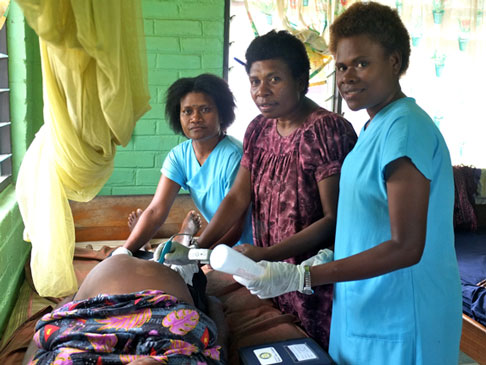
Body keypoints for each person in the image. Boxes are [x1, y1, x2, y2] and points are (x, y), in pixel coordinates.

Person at [233, 3, 463, 364]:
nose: (347, 76)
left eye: (362, 63)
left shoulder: (406, 128)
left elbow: (406, 246)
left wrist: (302, 276)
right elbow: (363, 221)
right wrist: (330, 254)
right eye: (341, 66)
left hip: (400, 314)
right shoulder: (372, 130)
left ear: (394, 62)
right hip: (363, 306)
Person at [196, 30, 357, 349]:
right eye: (255, 81)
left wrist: (268, 256)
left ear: (301, 80)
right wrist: (199, 245)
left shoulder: (325, 130)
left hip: (315, 278)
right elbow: (237, 197)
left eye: (274, 79)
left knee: (317, 350)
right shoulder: (258, 129)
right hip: (270, 276)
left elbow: (334, 219)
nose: (262, 91)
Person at [118, 73, 253, 255]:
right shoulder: (179, 156)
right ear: (178, 116)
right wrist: (123, 252)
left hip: (248, 247)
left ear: (221, 114)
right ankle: (145, 244)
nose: (195, 118)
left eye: (205, 110)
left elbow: (237, 226)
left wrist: (198, 256)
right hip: (213, 244)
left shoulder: (234, 156)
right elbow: (156, 209)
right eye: (187, 111)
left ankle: (181, 238)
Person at [23, 254, 226, 365]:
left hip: (106, 294)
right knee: (185, 267)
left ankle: (129, 250)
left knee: (127, 256)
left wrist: (66, 306)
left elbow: (41, 340)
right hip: (161, 305)